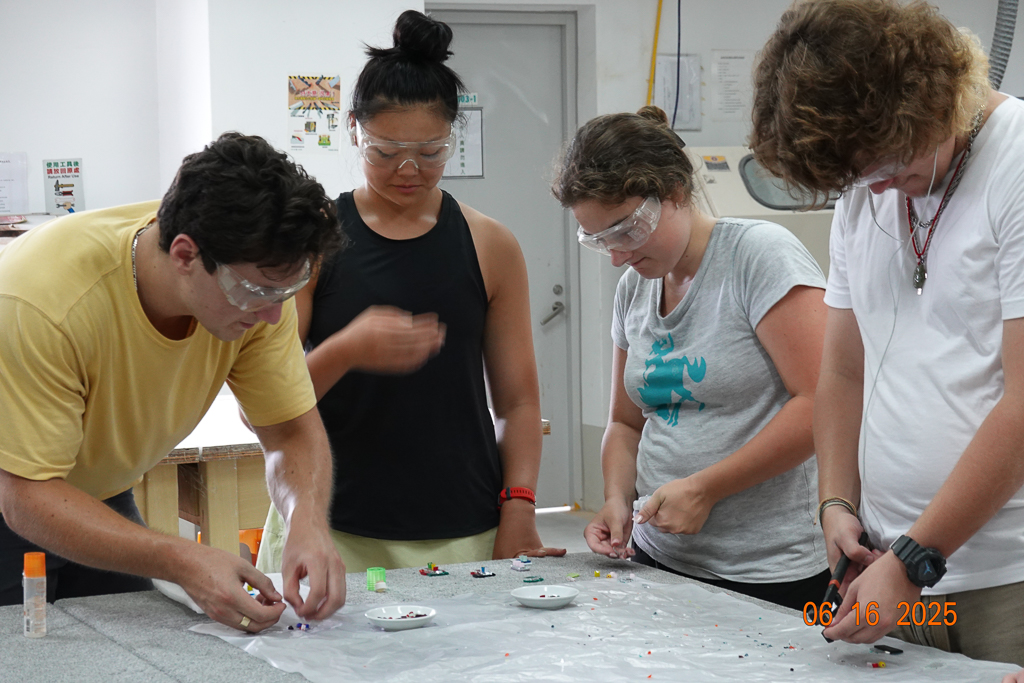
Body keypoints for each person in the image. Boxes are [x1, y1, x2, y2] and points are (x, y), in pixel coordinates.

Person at [750, 0, 1024, 665]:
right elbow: (843, 371)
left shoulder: (1014, 165)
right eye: (860, 176)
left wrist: (915, 556)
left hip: (1003, 579)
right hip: (893, 572)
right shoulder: (868, 190)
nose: (876, 190)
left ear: (926, 101)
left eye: (886, 163)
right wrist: (836, 504)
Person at [256, 10, 564, 574]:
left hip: (463, 525)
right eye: (384, 151)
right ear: (354, 129)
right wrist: (348, 349)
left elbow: (518, 403)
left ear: (453, 137)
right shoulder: (312, 240)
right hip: (331, 524)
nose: (408, 169)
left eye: (430, 152)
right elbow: (269, 400)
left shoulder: (491, 244)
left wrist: (519, 506)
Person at [0, 132, 347, 632]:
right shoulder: (43, 302)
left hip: (95, 489)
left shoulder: (257, 287)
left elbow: (289, 429)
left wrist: (306, 520)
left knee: (134, 650)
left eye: (286, 291)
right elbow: (25, 495)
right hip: (16, 490)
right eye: (257, 292)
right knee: (21, 656)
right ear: (185, 255)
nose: (274, 315)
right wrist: (183, 559)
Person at [553, 105, 829, 611]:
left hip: (767, 568)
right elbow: (625, 423)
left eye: (625, 231)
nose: (616, 256)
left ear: (675, 193)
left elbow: (821, 404)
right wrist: (615, 499)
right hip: (659, 554)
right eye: (599, 240)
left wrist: (707, 488)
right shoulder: (634, 287)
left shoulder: (758, 257)